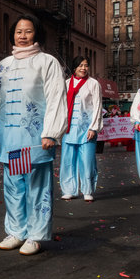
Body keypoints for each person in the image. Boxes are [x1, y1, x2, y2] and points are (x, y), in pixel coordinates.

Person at [0, 14, 67, 256]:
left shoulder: (47, 62)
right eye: (19, 32)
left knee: (36, 187)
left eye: (28, 31)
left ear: (36, 33)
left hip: (36, 139)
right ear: (13, 35)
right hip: (11, 140)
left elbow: (56, 97)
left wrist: (51, 132)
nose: (23, 36)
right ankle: (17, 232)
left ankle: (36, 236)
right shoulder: (4, 66)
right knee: (14, 186)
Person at [59, 56, 102, 202]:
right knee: (67, 160)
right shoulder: (65, 84)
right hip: (69, 128)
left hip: (86, 128)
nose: (83, 68)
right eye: (80, 65)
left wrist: (93, 128)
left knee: (87, 160)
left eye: (86, 65)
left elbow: (97, 106)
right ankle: (69, 190)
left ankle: (87, 190)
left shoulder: (93, 84)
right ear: (74, 67)